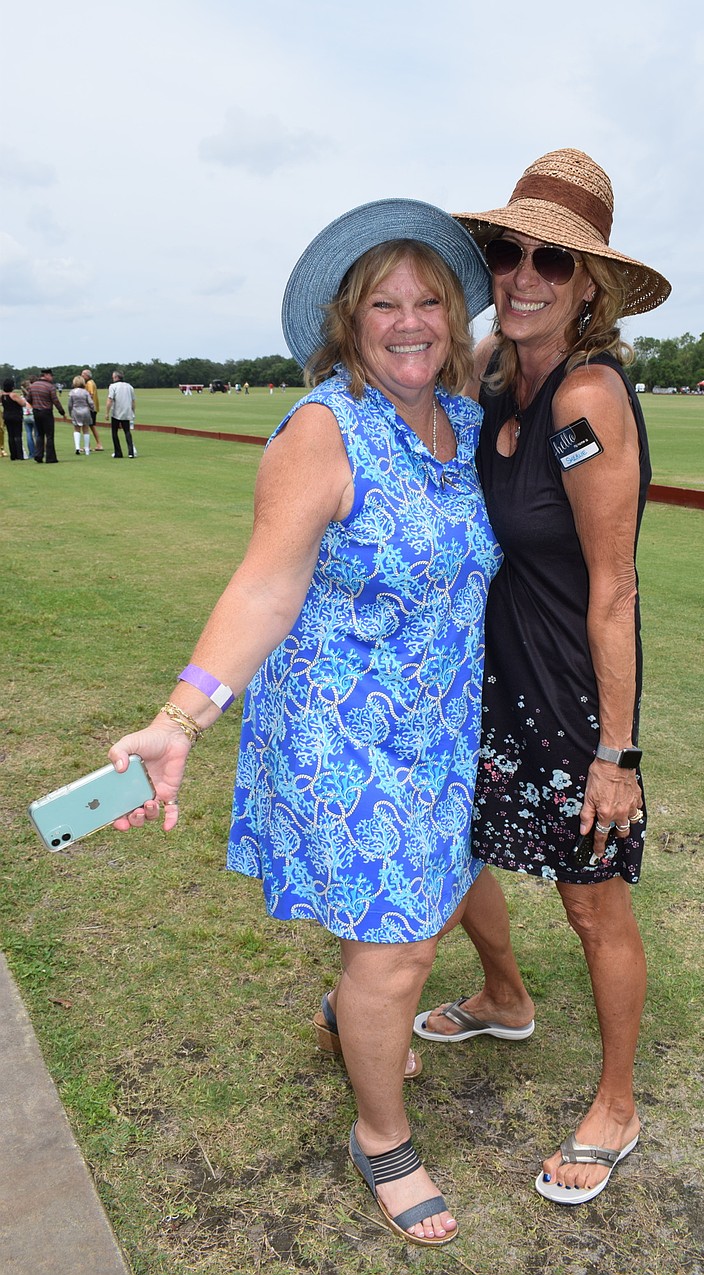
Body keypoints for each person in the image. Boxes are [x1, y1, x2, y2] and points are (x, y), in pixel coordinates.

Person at [107, 198, 501, 1246]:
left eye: (430, 300)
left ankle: (346, 1019)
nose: (409, 319)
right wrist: (180, 718)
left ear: (454, 317)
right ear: (347, 321)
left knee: (415, 913)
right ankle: (383, 1135)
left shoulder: (461, 425)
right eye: (385, 302)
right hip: (344, 734)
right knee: (400, 950)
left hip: (438, 726)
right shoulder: (323, 430)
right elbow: (265, 590)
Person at [414, 149, 672, 1207]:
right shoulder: (489, 370)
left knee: (590, 902)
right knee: (459, 843)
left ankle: (616, 1102)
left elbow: (613, 589)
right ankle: (503, 996)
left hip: (565, 688)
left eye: (550, 263)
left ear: (589, 287)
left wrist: (616, 753)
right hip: (481, 672)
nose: (522, 275)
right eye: (505, 252)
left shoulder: (588, 396)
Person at [26, 369, 69, 463]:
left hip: (36, 412)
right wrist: (62, 412)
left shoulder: (33, 386)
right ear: (46, 375)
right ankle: (50, 458)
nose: (52, 378)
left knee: (40, 434)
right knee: (49, 435)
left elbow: (28, 399)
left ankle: (38, 455)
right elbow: (55, 401)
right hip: (46, 412)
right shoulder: (50, 387)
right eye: (51, 376)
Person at [106, 370, 136, 458]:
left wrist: (107, 412)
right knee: (127, 431)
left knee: (114, 432)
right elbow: (133, 401)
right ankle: (131, 452)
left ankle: (118, 453)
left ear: (116, 377)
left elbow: (110, 399)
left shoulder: (113, 386)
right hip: (127, 412)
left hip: (116, 412)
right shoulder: (129, 386)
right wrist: (133, 412)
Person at [68, 376, 97, 454]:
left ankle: (77, 447)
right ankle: (87, 448)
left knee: (76, 429)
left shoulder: (72, 392)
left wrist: (70, 412)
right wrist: (92, 409)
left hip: (76, 411)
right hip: (85, 411)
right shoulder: (85, 392)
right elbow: (91, 403)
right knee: (86, 429)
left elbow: (70, 404)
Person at [1, 378, 29, 460]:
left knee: (11, 436)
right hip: (15, 416)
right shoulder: (13, 395)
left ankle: (13, 455)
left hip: (6, 415)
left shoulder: (3, 395)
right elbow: (23, 404)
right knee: (17, 436)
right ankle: (19, 455)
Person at [81, 368, 104, 450]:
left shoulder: (89, 383)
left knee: (86, 426)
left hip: (90, 408)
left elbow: (90, 394)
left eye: (83, 374)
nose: (81, 376)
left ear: (87, 376)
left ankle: (89, 445)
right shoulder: (90, 383)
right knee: (91, 426)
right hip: (93, 408)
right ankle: (97, 444)